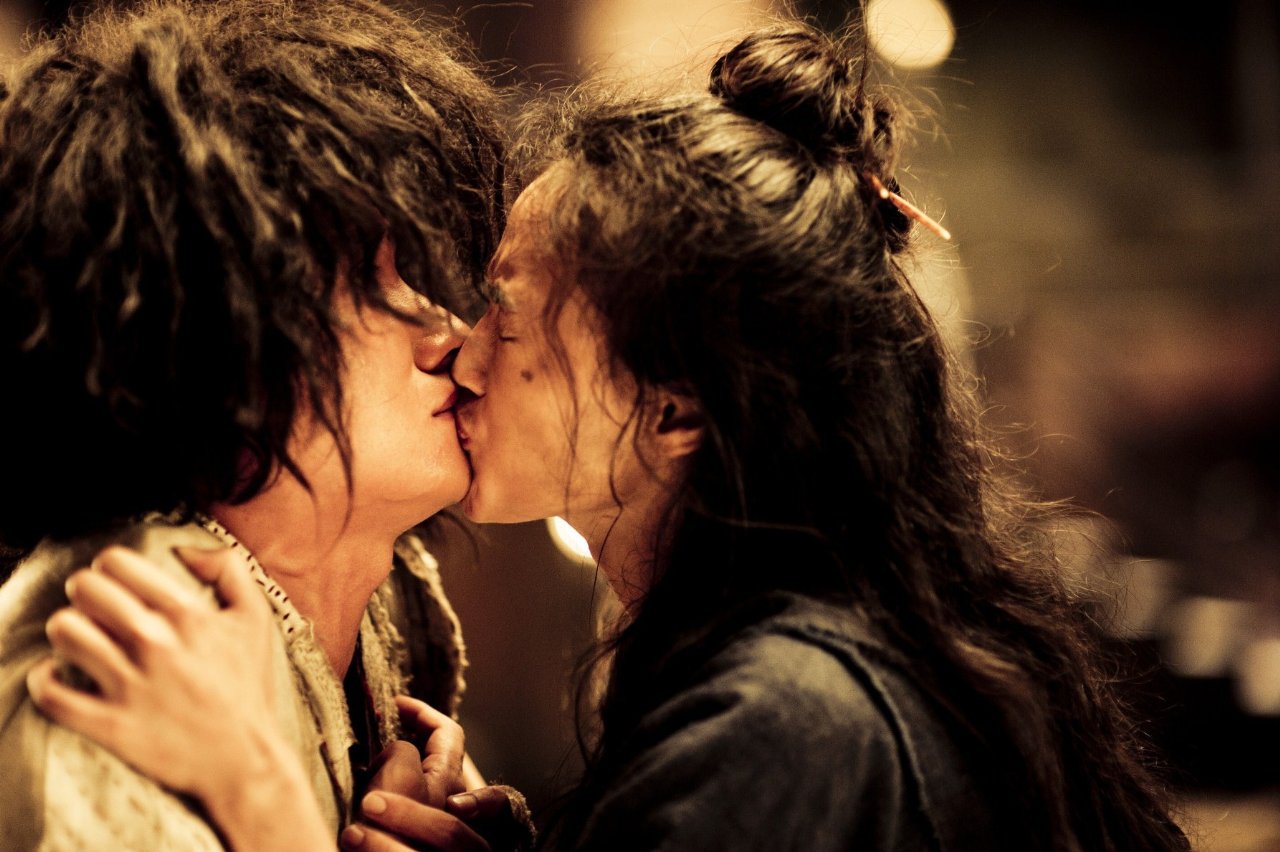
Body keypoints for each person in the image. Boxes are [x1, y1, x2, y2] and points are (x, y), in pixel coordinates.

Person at [35, 19, 1191, 852]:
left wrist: (267, 805)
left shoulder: (782, 722)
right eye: (400, 298)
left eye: (507, 315)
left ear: (675, 409)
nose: (459, 347)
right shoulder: (783, 671)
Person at [0, 0, 517, 848]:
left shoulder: (385, 609)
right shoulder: (118, 645)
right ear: (209, 349)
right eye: (369, 287)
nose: (449, 336)